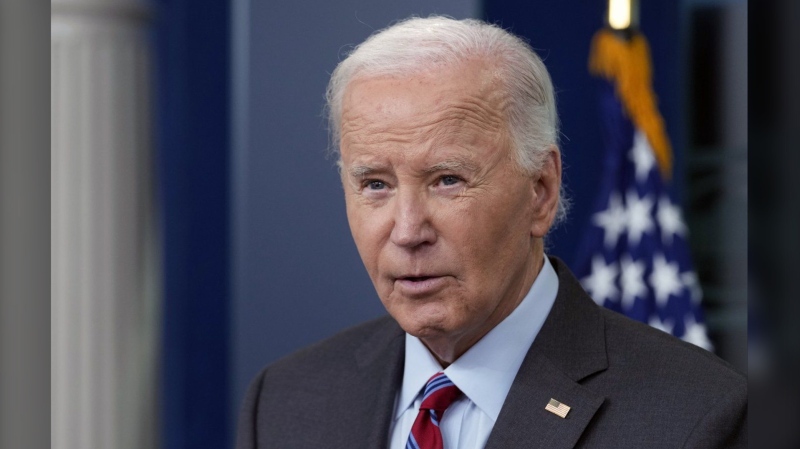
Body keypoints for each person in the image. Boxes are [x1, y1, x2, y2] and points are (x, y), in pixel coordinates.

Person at [236, 16, 746, 449]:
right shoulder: (285, 403)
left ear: (540, 191)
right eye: (375, 184)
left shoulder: (695, 417)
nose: (408, 231)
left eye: (447, 180)